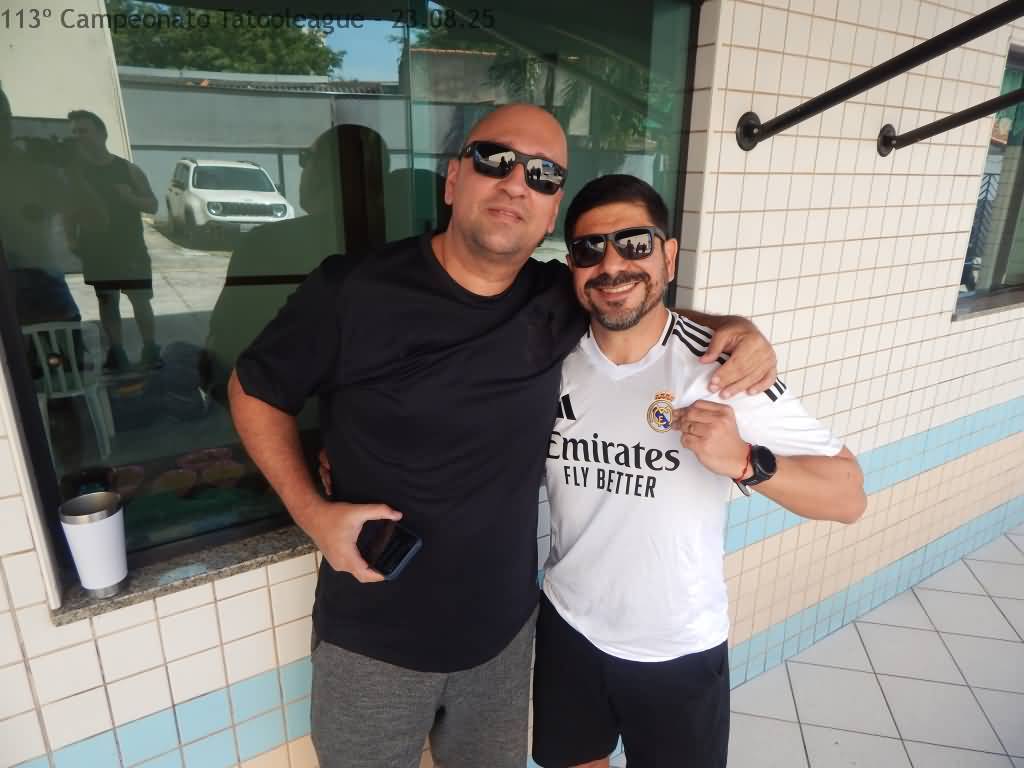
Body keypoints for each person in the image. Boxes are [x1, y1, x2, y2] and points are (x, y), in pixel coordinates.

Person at [228, 104, 778, 768]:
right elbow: (255, 390)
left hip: (502, 645)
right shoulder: (353, 290)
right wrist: (312, 513)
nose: (517, 182)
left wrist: (738, 329)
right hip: (370, 639)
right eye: (496, 160)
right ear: (454, 180)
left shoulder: (555, 298)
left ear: (550, 214)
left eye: (543, 175)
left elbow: (630, 298)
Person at [531, 175, 866, 768]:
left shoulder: (721, 366)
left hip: (678, 645)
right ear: (572, 266)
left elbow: (849, 496)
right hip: (570, 623)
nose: (612, 265)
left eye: (635, 243)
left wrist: (746, 461)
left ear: (669, 254)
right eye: (589, 249)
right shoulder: (548, 354)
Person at [68, 109, 161, 371]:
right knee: (107, 301)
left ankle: (150, 349)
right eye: (74, 132)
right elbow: (69, 210)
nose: (78, 136)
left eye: (83, 130)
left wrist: (130, 199)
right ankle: (117, 352)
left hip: (130, 249)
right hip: (96, 249)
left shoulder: (128, 169)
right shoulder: (76, 173)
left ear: (102, 134)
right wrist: (70, 240)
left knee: (140, 301)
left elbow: (153, 206)